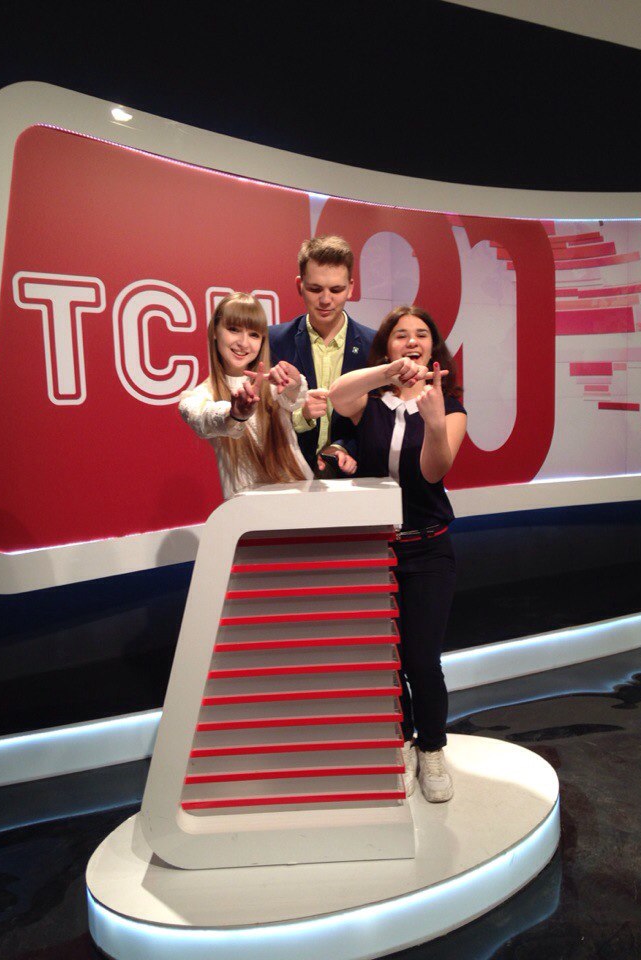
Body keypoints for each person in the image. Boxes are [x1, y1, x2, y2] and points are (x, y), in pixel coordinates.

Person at [329, 305, 467, 803]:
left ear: (434, 348)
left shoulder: (449, 406)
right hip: (374, 549)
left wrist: (434, 422)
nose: (412, 341)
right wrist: (387, 374)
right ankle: (404, 740)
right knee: (387, 659)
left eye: (421, 335)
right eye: (401, 335)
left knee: (421, 659)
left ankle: (432, 748)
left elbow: (433, 472)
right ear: (387, 346)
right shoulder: (370, 401)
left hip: (428, 548)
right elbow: (339, 396)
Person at [179, 292, 312, 498]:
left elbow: (296, 398)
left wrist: (293, 384)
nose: (243, 343)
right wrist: (235, 414)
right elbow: (202, 418)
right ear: (215, 331)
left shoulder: (273, 382)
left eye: (254, 334)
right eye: (234, 329)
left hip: (302, 497)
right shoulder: (200, 396)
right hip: (247, 509)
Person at [269, 235, 376, 476]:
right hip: (289, 478)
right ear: (299, 285)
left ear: (351, 288)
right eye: (315, 289)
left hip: (357, 480)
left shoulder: (373, 345)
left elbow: (379, 419)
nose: (326, 300)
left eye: (336, 290)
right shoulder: (274, 341)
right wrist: (301, 414)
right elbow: (263, 421)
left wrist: (344, 447)